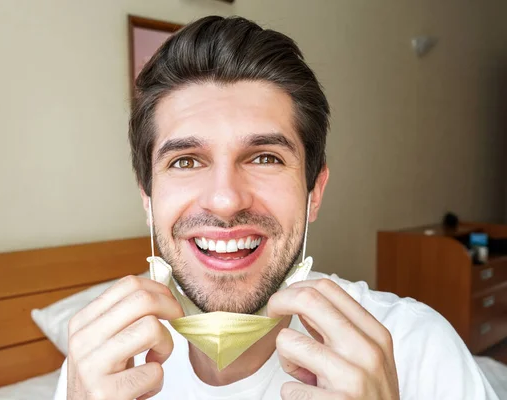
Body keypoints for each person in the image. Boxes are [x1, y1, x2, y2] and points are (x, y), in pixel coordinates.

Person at [53, 16, 497, 400]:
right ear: (148, 199)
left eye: (265, 157)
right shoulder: (98, 365)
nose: (225, 200)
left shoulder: (417, 347)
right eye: (185, 161)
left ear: (314, 192)